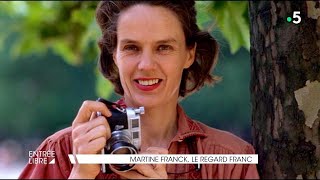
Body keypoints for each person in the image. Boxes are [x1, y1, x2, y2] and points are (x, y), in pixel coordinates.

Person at [19, 1, 260, 179]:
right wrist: (80, 175)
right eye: (132, 48)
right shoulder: (58, 150)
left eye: (163, 47)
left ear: (189, 54)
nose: (146, 65)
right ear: (114, 56)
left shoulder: (230, 159)